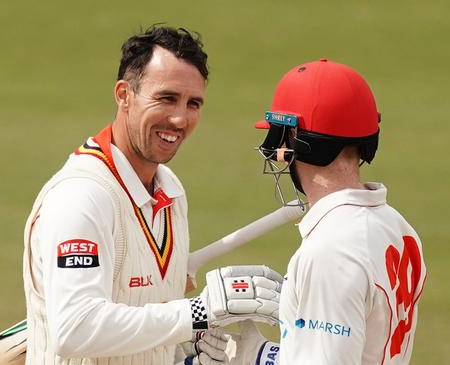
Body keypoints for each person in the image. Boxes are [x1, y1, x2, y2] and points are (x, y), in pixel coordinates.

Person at [22, 25, 283, 365]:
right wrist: (198, 312)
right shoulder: (81, 198)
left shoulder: (170, 191)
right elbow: (75, 329)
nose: (180, 118)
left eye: (194, 103)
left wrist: (187, 354)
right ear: (124, 95)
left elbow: (148, 318)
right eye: (166, 98)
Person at [201, 59, 427, 364]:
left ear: (298, 140)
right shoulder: (397, 226)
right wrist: (270, 355)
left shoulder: (330, 253)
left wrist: (256, 360)